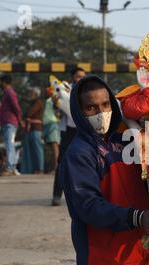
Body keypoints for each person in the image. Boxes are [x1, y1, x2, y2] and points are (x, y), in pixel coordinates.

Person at [60, 75, 149, 265]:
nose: (101, 112)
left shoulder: (135, 139)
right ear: (80, 112)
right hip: (102, 264)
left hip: (143, 260)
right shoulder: (79, 152)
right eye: (91, 107)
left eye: (105, 104)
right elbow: (88, 206)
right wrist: (140, 218)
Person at [51, 67, 85, 206]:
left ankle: (83, 196)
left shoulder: (87, 91)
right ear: (72, 78)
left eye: (83, 76)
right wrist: (55, 104)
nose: (81, 79)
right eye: (78, 76)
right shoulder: (63, 90)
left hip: (83, 131)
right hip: (68, 132)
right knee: (62, 164)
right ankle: (56, 195)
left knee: (83, 164)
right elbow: (56, 113)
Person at [0, 75, 22, 176]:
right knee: (9, 144)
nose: (0, 84)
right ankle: (11, 167)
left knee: (9, 144)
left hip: (10, 122)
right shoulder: (6, 93)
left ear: (4, 82)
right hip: (7, 122)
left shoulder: (9, 93)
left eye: (1, 82)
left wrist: (19, 119)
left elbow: (16, 107)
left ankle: (10, 167)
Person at [20, 87, 44, 174]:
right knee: (30, 150)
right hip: (29, 129)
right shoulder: (31, 103)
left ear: (36, 94)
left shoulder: (38, 102)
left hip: (36, 129)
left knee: (37, 149)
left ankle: (39, 168)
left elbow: (29, 113)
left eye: (32, 93)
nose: (30, 94)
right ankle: (32, 168)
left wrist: (25, 116)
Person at [42, 86, 60, 173]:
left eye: (47, 91)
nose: (45, 92)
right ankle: (54, 167)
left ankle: (56, 168)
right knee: (52, 148)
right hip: (47, 125)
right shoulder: (47, 101)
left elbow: (56, 106)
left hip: (52, 124)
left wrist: (55, 97)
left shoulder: (52, 100)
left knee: (54, 146)